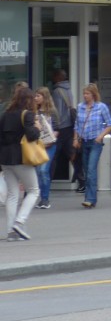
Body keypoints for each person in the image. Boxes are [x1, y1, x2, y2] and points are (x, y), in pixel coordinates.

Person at [0, 86, 39, 240]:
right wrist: (38, 128)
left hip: (5, 159)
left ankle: (11, 232)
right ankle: (19, 222)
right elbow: (31, 136)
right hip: (22, 158)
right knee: (34, 190)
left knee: (12, 194)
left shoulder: (4, 115)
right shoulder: (27, 115)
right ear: (28, 100)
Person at [73, 83, 111, 209]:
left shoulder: (101, 107)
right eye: (84, 93)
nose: (85, 96)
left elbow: (110, 124)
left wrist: (101, 136)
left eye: (87, 94)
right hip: (84, 141)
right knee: (86, 170)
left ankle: (90, 199)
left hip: (95, 142)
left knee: (91, 169)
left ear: (93, 95)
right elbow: (77, 125)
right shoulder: (80, 107)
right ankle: (90, 198)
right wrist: (75, 138)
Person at [49, 69, 77, 189]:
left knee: (53, 155)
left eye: (54, 76)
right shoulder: (69, 89)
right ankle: (82, 178)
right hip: (69, 126)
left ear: (58, 77)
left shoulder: (56, 91)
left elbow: (57, 111)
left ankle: (47, 180)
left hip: (60, 127)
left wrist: (55, 126)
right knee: (71, 153)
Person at [32, 87, 58, 208]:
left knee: (43, 170)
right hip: (38, 145)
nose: (36, 98)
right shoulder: (33, 111)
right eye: (35, 96)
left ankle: (45, 199)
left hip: (49, 145)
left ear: (44, 97)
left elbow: (57, 129)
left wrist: (50, 140)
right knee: (38, 171)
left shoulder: (52, 111)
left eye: (38, 96)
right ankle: (42, 198)